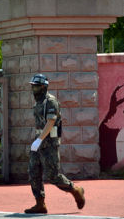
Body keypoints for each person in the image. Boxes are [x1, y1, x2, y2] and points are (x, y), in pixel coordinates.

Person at [25, 74, 85, 214]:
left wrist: (39, 140)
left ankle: (75, 190)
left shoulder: (50, 102)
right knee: (33, 172)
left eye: (36, 86)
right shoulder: (38, 102)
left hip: (49, 143)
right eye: (32, 86)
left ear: (44, 86)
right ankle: (40, 204)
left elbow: (51, 122)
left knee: (53, 176)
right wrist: (37, 140)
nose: (34, 88)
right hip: (38, 141)